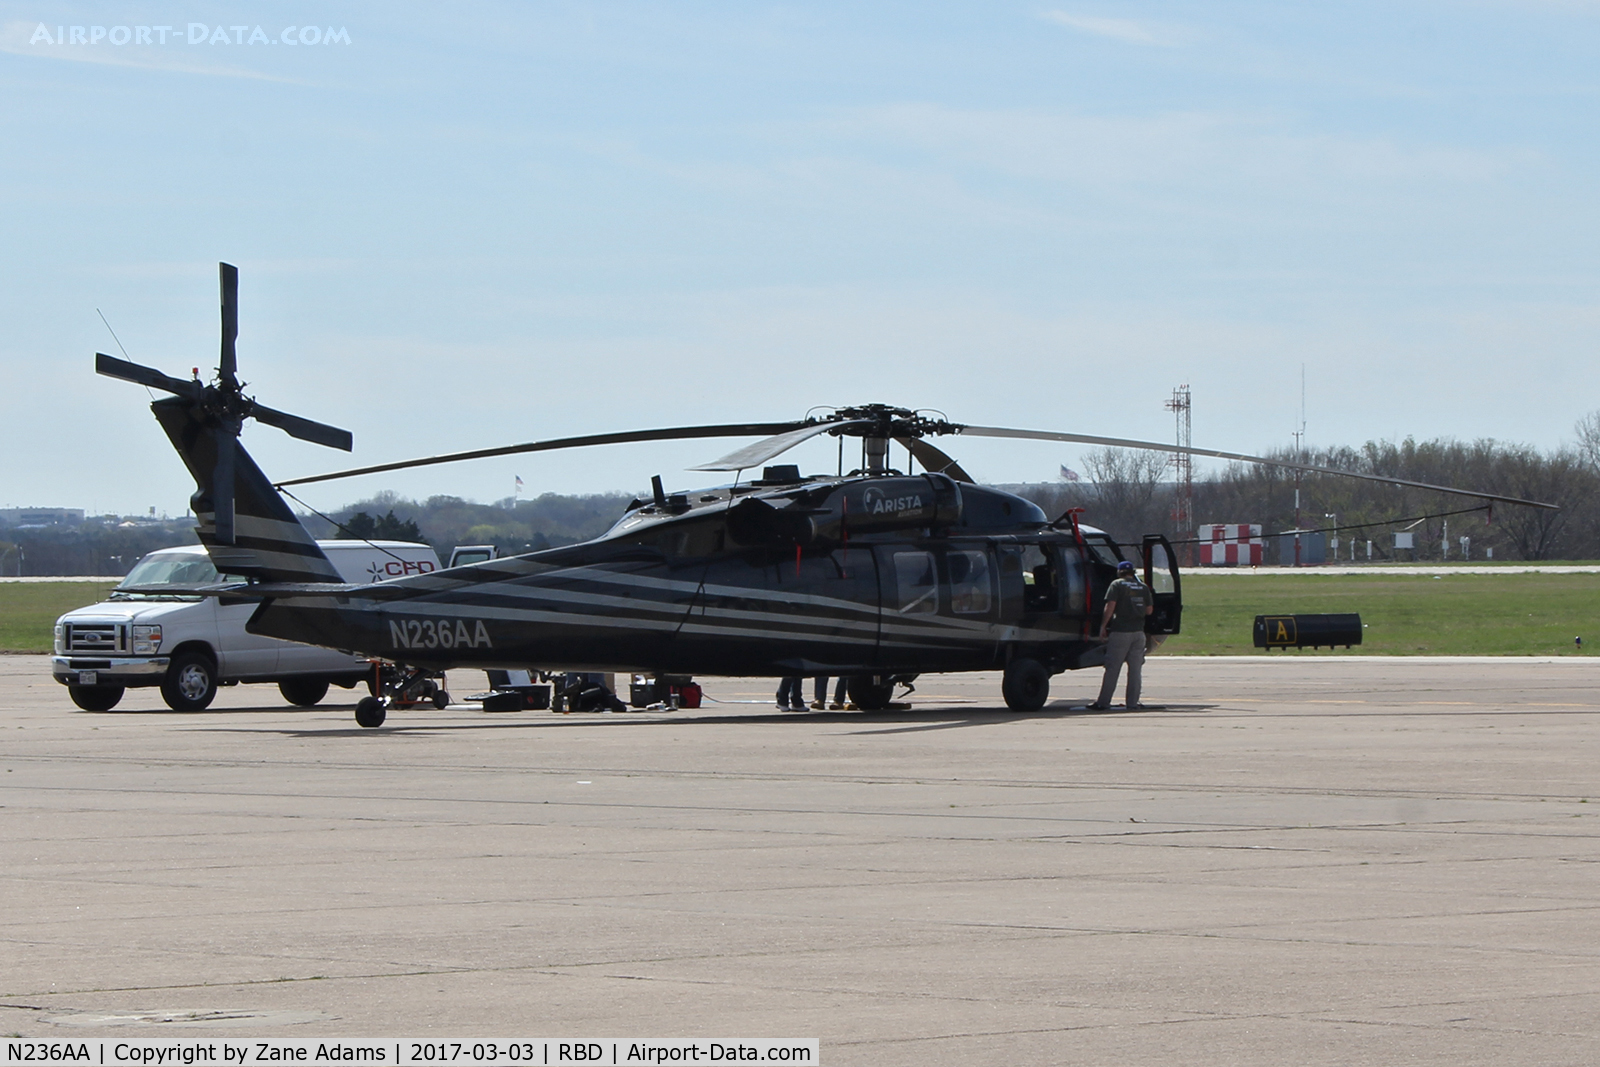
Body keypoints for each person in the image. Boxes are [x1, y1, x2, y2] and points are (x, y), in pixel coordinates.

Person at [1089, 559, 1153, 710]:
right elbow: (1149, 610)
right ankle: (1132, 703)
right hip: (1138, 633)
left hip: (1121, 632)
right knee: (1135, 670)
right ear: (1133, 573)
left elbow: (1110, 606)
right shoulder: (1143, 587)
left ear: (1119, 572)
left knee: (1113, 668)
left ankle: (1103, 702)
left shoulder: (1116, 585)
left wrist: (1103, 625)